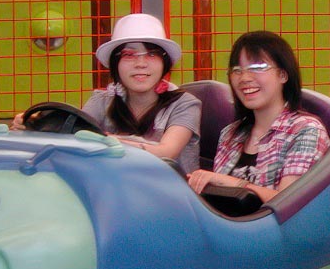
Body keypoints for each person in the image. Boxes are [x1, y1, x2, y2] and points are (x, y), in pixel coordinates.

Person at [11, 13, 202, 173]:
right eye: (129, 55)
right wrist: (36, 125)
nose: (141, 64)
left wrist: (105, 139)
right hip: (113, 193)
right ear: (115, 63)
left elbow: (167, 152)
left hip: (175, 201)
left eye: (151, 54)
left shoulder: (185, 103)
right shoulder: (102, 100)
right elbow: (76, 135)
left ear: (164, 62)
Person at [187, 31, 330, 203]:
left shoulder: (305, 130)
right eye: (237, 70)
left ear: (283, 75)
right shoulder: (231, 134)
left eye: (258, 68)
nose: (245, 78)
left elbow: (291, 203)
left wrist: (234, 183)